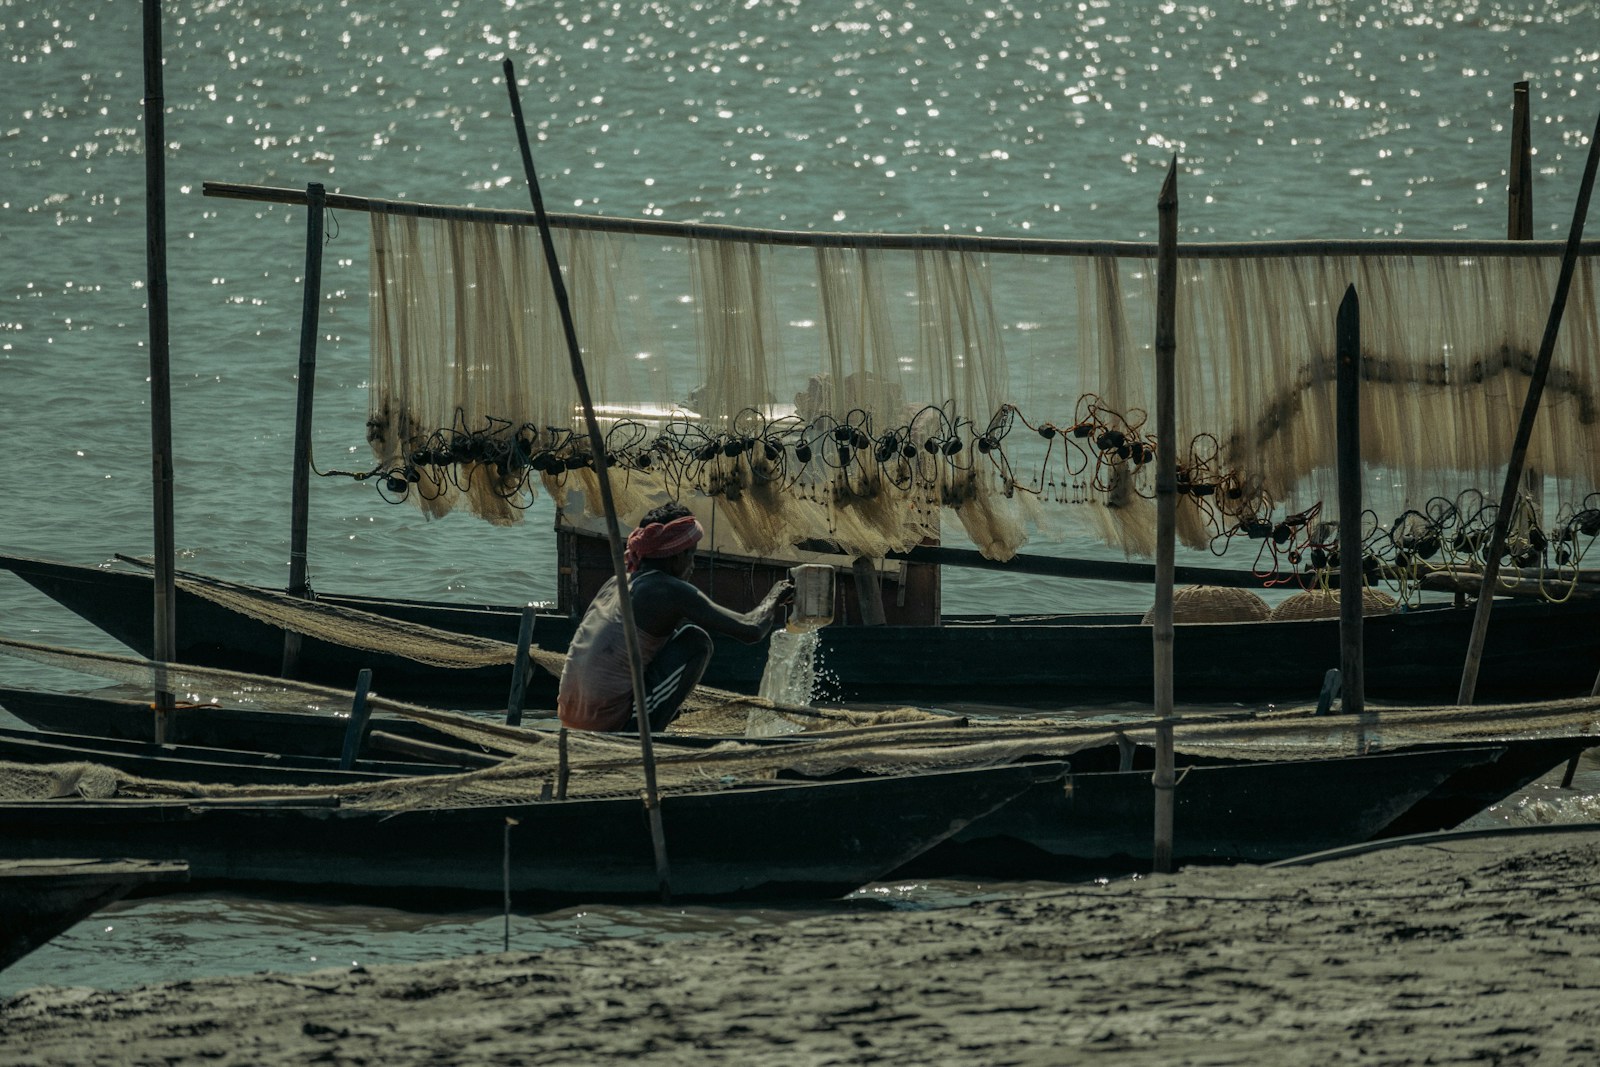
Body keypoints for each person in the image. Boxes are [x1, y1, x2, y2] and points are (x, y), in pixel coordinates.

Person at [556, 502, 794, 733]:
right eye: (691, 555)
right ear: (676, 557)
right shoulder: (666, 589)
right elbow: (751, 629)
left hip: (571, 717)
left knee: (672, 636)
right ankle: (646, 731)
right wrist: (775, 595)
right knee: (695, 640)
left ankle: (648, 713)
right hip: (611, 722)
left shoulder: (618, 581)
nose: (692, 565)